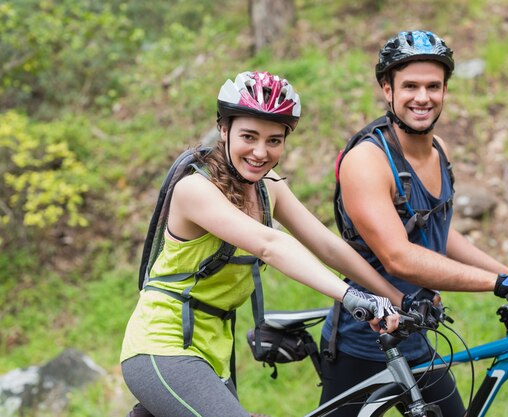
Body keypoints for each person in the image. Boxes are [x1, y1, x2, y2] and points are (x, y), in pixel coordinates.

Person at [120, 70, 403, 417]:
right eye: (249, 136)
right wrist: (350, 297)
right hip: (162, 347)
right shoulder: (195, 190)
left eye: (273, 140)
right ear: (224, 130)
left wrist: (392, 296)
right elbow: (270, 244)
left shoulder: (270, 187)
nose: (260, 152)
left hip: (213, 352)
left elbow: (327, 246)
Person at [319, 30, 508, 416]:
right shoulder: (367, 162)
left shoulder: (439, 149)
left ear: (445, 90)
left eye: (433, 86)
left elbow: (436, 234)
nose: (422, 97)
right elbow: (399, 258)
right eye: (410, 85)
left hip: (415, 335)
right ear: (387, 89)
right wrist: (497, 283)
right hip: (363, 344)